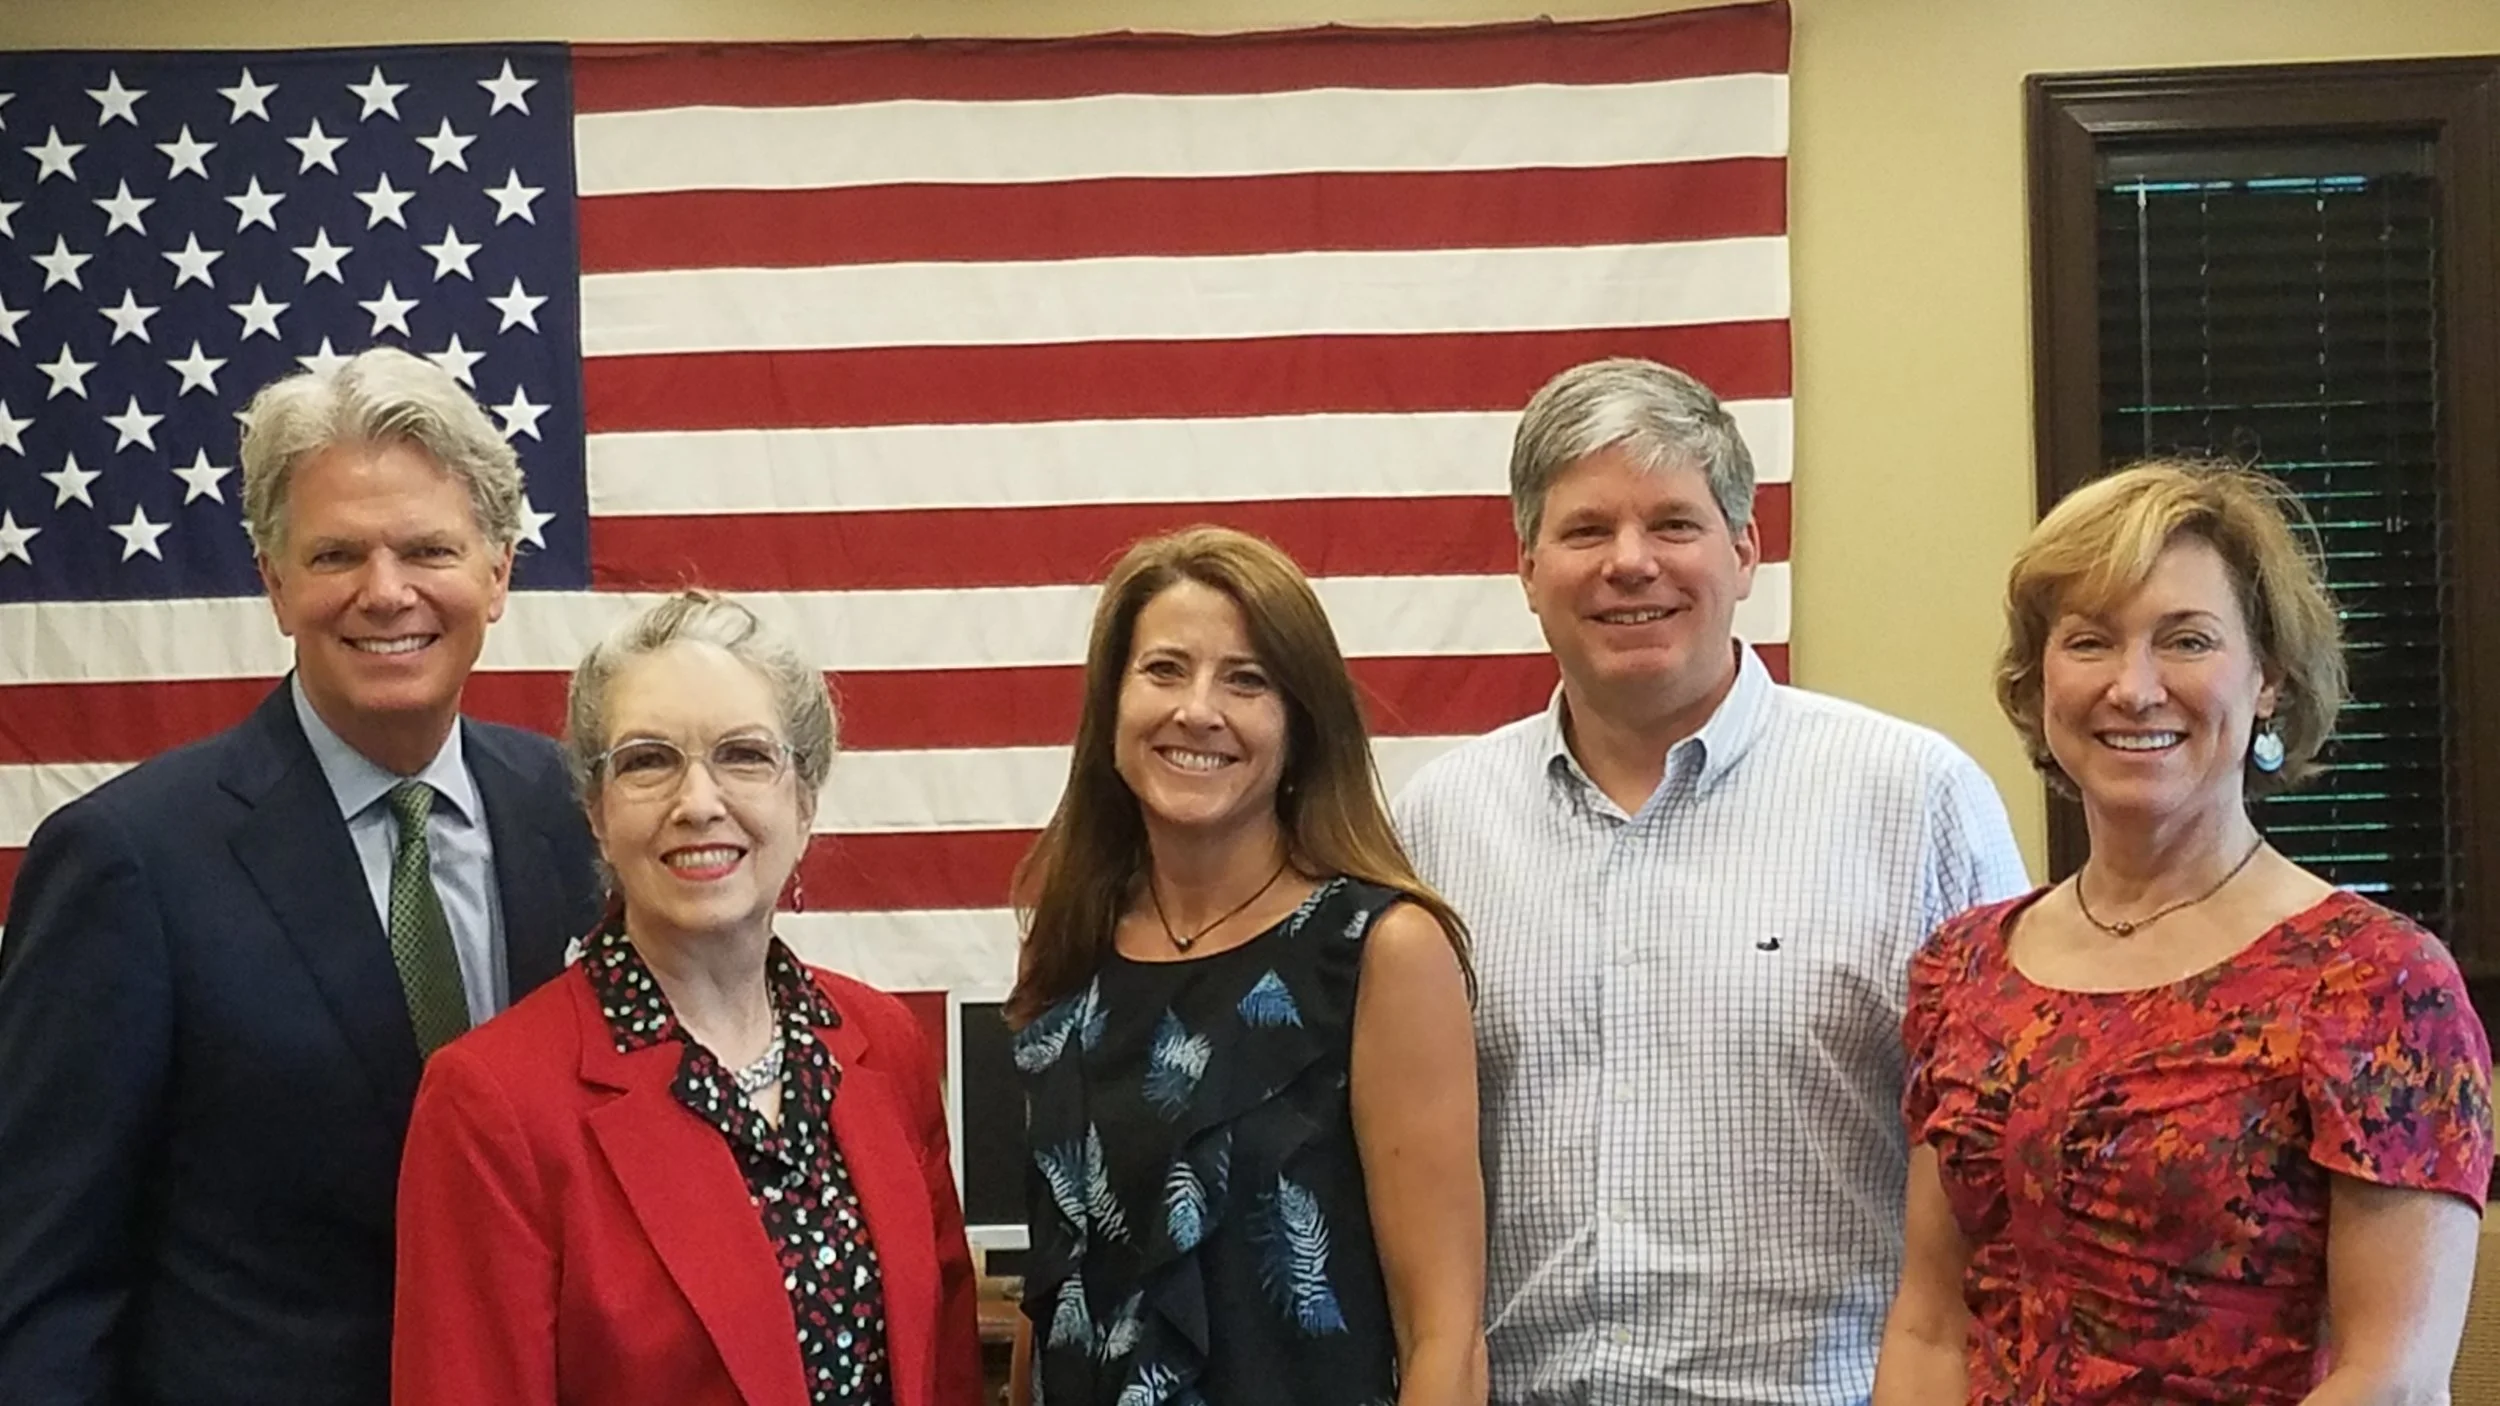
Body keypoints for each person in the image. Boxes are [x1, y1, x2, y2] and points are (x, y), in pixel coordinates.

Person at [1393, 357, 2029, 1405]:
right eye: (1586, 530)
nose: (1630, 563)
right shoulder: (1436, 825)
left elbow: (2004, 1183)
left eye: (1673, 524)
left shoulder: (1916, 799)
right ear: (1528, 569)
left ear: (1743, 552)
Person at [0, 347, 601, 1406]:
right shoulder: (127, 859)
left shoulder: (576, 814)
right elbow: (43, 1278)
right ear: (275, 583)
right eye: (336, 555)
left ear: (498, 572)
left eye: (428, 549)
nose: (386, 592)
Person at [1874, 461, 2492, 1405]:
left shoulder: (2377, 984)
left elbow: (2392, 1380)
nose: (2134, 688)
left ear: (2269, 681)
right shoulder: (1964, 968)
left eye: (2187, 640)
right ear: (2039, 682)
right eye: (2090, 641)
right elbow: (1931, 1328)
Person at [393, 588, 984, 1406]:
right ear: (597, 812)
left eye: (744, 755)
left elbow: (947, 1368)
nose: (698, 802)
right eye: (648, 761)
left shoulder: (882, 1044)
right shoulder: (492, 1101)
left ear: (805, 800)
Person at [1005, 526, 1487, 1406]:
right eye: (1164, 670)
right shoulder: (1069, 947)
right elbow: (1054, 1299)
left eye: (1247, 680)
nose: (1198, 710)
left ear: (1300, 723)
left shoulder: (1380, 950)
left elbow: (1443, 1337)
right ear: (1111, 705)